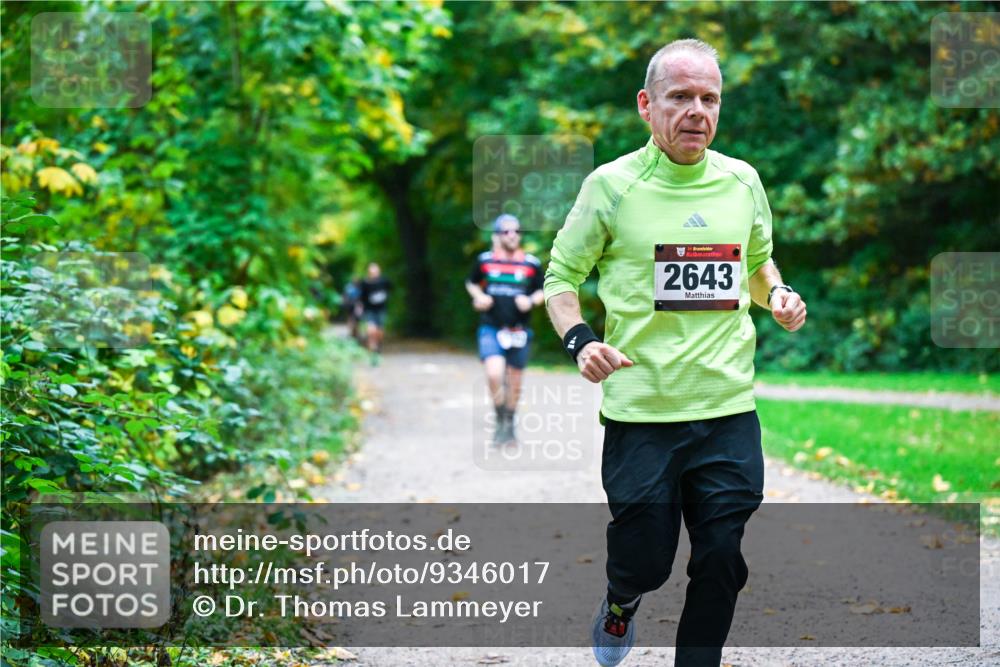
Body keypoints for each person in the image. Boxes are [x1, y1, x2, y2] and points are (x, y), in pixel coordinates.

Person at [543, 39, 807, 667]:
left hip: (727, 408)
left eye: (709, 98)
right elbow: (560, 278)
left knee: (721, 558)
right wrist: (581, 341)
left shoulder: (742, 181)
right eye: (680, 97)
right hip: (642, 414)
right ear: (646, 104)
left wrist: (781, 296)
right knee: (645, 560)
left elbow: (758, 265)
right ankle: (620, 600)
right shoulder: (611, 186)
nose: (697, 111)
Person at [465, 214, 544, 446]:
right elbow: (471, 282)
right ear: (497, 236)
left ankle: (508, 424)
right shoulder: (485, 261)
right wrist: (479, 297)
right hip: (491, 328)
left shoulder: (530, 263)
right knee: (493, 373)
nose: (512, 235)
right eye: (507, 231)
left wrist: (530, 301)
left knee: (515, 381)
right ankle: (500, 417)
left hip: (519, 331)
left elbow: (543, 290)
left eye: (516, 231)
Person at [359, 262, 391, 361]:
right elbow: (361, 297)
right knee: (371, 331)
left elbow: (390, 290)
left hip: (381, 310)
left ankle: (378, 346)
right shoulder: (365, 283)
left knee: (379, 332)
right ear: (369, 272)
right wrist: (360, 307)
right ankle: (372, 351)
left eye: (376, 271)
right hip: (369, 310)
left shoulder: (384, 281)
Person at [342, 277, 362, 342]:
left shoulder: (359, 287)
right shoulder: (349, 287)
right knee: (351, 318)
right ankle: (352, 332)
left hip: (356, 305)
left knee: (356, 319)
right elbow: (345, 296)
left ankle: (354, 332)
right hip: (350, 305)